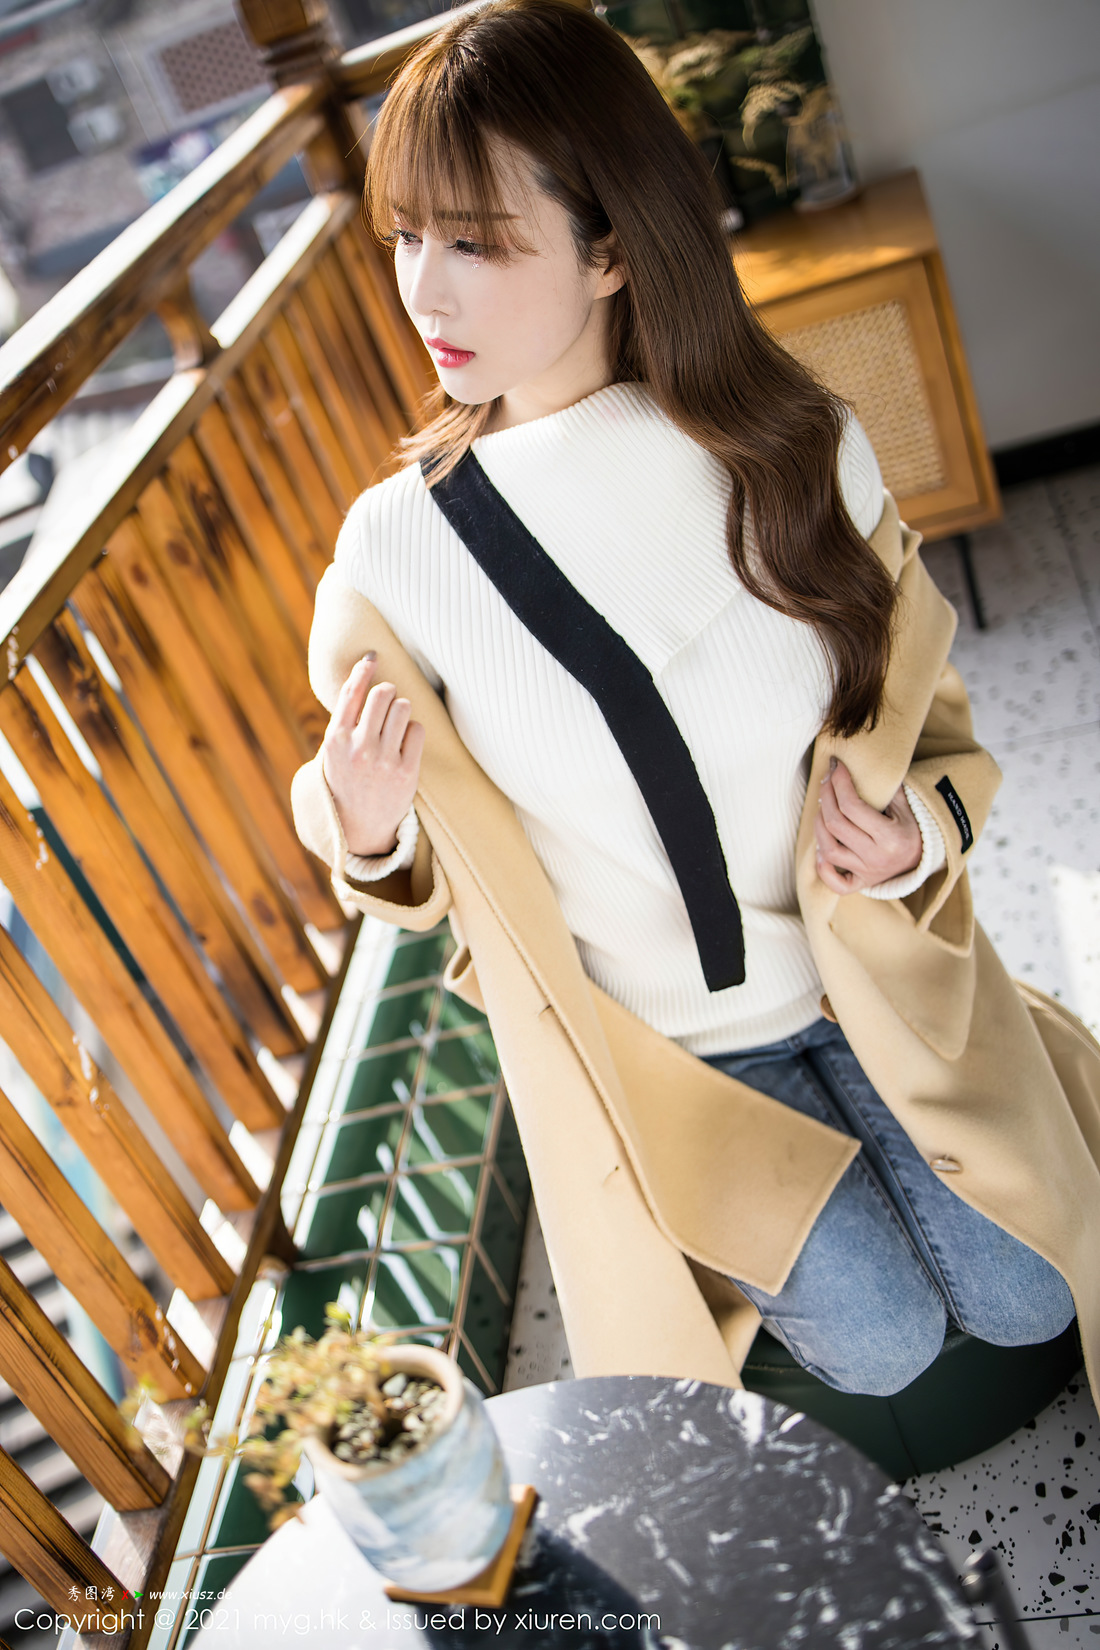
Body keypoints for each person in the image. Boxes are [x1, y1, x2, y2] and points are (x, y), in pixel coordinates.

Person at [293, 0, 1100, 1400]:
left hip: (868, 983)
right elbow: (385, 845)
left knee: (1031, 1295)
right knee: (884, 1342)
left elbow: (939, 727)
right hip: (673, 1061)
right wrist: (365, 827)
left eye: (475, 243)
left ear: (610, 246)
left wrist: (915, 837)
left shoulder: (794, 447)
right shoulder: (397, 552)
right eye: (406, 237)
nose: (424, 291)